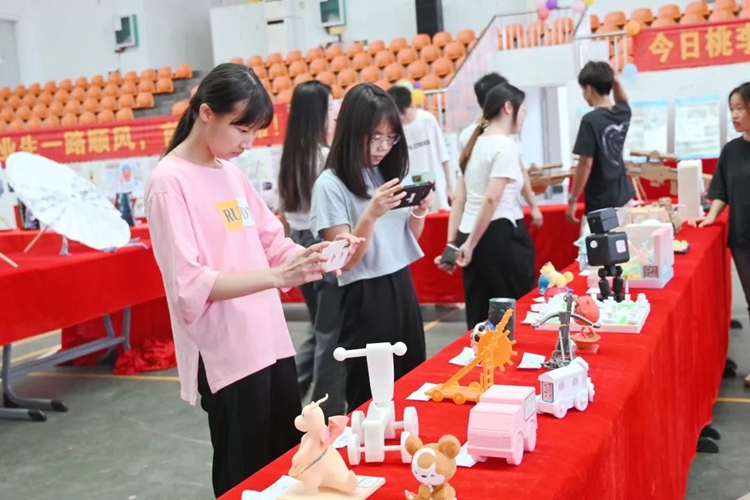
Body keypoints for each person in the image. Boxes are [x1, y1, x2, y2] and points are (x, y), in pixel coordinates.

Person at [144, 63, 359, 498]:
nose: (248, 143)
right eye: (241, 130)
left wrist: (314, 256)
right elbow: (190, 285)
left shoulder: (232, 174)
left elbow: (272, 242)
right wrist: (277, 275)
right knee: (244, 477)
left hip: (270, 342)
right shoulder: (169, 182)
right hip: (227, 352)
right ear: (206, 113)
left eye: (254, 132)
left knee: (285, 465)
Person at [310, 83, 432, 413]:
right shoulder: (330, 184)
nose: (383, 147)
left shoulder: (383, 173)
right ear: (353, 131)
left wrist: (419, 210)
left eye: (391, 138)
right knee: (371, 392)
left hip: (401, 285)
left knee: (412, 379)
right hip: (364, 294)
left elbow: (406, 238)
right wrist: (371, 214)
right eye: (375, 137)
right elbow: (346, 261)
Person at [435, 83, 536, 330]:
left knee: (479, 314)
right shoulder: (505, 146)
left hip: (470, 232)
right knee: (512, 312)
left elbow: (460, 199)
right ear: (508, 107)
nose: (525, 115)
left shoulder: (475, 143)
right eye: (523, 109)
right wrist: (469, 245)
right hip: (495, 235)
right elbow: (491, 199)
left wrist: (455, 243)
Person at [277, 81, 346, 416]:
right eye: (330, 107)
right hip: (321, 243)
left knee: (320, 329)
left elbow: (285, 213)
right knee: (331, 333)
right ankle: (326, 410)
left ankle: (287, 394)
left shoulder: (290, 155)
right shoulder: (323, 157)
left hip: (298, 243)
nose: (333, 113)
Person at [690, 82, 750, 387]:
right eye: (732, 109)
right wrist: (710, 217)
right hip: (743, 238)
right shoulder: (731, 151)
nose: (735, 115)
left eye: (741, 108)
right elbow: (721, 192)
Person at [459, 72, 543, 228]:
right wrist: (533, 205)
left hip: (476, 218)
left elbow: (462, 188)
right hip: (502, 217)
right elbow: (520, 171)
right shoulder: (504, 134)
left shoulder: (468, 134)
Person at [568, 61, 634, 233]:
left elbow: (585, 164)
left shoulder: (590, 120)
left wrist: (573, 199)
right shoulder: (623, 113)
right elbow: (623, 101)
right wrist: (614, 81)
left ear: (589, 89)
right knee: (625, 244)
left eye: (583, 90)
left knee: (594, 248)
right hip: (624, 197)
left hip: (601, 203)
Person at [387, 84, 453, 210]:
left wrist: (450, 186)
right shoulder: (395, 129)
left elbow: (443, 155)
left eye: (402, 112)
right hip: (409, 186)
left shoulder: (427, 120)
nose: (401, 117)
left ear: (410, 105)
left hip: (434, 182)